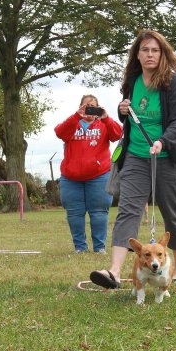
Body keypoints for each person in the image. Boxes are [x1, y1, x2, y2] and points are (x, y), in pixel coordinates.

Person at [90, 29, 176, 288]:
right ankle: (113, 271)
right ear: (137, 54)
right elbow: (130, 112)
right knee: (128, 210)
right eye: (145, 50)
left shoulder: (173, 83)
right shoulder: (132, 80)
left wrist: (162, 141)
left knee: (174, 214)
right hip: (136, 155)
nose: (150, 54)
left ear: (162, 54)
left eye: (155, 50)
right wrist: (122, 110)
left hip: (169, 156)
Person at [55, 95, 122, 254]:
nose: (89, 109)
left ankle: (99, 248)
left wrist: (106, 118)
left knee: (99, 211)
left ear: (99, 108)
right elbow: (59, 132)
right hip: (71, 178)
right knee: (74, 212)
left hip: (99, 176)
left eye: (93, 106)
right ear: (80, 107)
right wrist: (77, 116)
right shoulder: (72, 123)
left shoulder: (104, 124)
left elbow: (118, 134)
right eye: (86, 106)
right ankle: (80, 248)